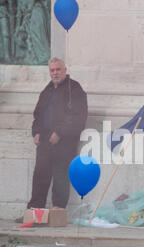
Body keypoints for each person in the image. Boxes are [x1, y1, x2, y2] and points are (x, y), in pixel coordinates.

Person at [27, 57, 88, 210]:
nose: (55, 73)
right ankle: (35, 210)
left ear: (65, 70)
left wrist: (60, 133)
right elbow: (38, 115)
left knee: (61, 176)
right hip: (45, 141)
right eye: (52, 70)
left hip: (64, 142)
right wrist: (36, 132)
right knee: (40, 175)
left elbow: (78, 117)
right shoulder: (46, 90)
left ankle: (58, 211)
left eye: (58, 69)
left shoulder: (74, 88)